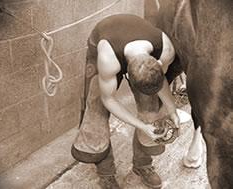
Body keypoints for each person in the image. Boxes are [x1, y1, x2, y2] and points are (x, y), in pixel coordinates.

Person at [71, 14, 180, 189]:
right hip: (105, 41)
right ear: (127, 75)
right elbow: (109, 99)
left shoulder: (165, 50)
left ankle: (142, 165)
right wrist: (142, 127)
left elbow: (160, 81)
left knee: (151, 109)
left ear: (158, 63)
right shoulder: (108, 61)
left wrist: (172, 109)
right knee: (96, 113)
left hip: (134, 44)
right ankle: (106, 173)